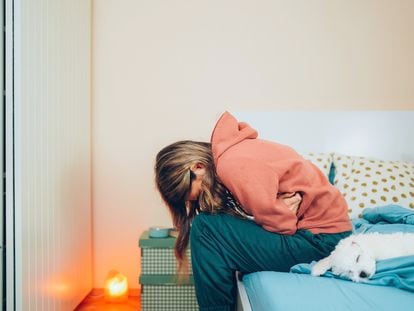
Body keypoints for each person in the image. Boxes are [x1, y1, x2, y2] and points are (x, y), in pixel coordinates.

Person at [155, 111, 352, 311]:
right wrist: (275, 210)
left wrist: (279, 213)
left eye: (192, 193)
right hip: (323, 236)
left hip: (319, 242)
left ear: (198, 167)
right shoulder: (236, 153)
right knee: (211, 226)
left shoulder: (233, 165)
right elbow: (264, 213)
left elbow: (283, 227)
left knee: (205, 228)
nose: (197, 199)